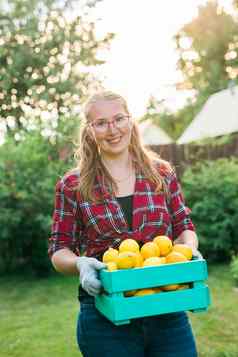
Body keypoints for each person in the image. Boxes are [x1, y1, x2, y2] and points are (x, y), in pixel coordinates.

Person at [48, 91, 201, 357]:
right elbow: (59, 249)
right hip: (105, 318)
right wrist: (80, 264)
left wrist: (187, 250)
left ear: (130, 121)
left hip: (165, 310)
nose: (112, 129)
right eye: (101, 122)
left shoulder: (161, 173)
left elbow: (183, 225)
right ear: (90, 130)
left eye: (118, 118)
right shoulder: (72, 185)